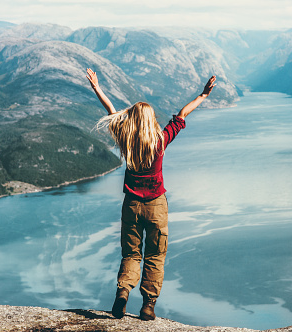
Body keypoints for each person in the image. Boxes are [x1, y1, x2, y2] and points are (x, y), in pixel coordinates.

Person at [86, 68, 216, 321]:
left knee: (131, 254)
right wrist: (203, 95)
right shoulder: (160, 140)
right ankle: (148, 306)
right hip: (156, 206)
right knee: (155, 255)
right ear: (150, 119)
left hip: (131, 206)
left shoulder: (126, 138)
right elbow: (181, 115)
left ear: (133, 120)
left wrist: (96, 88)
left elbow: (112, 112)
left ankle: (122, 294)